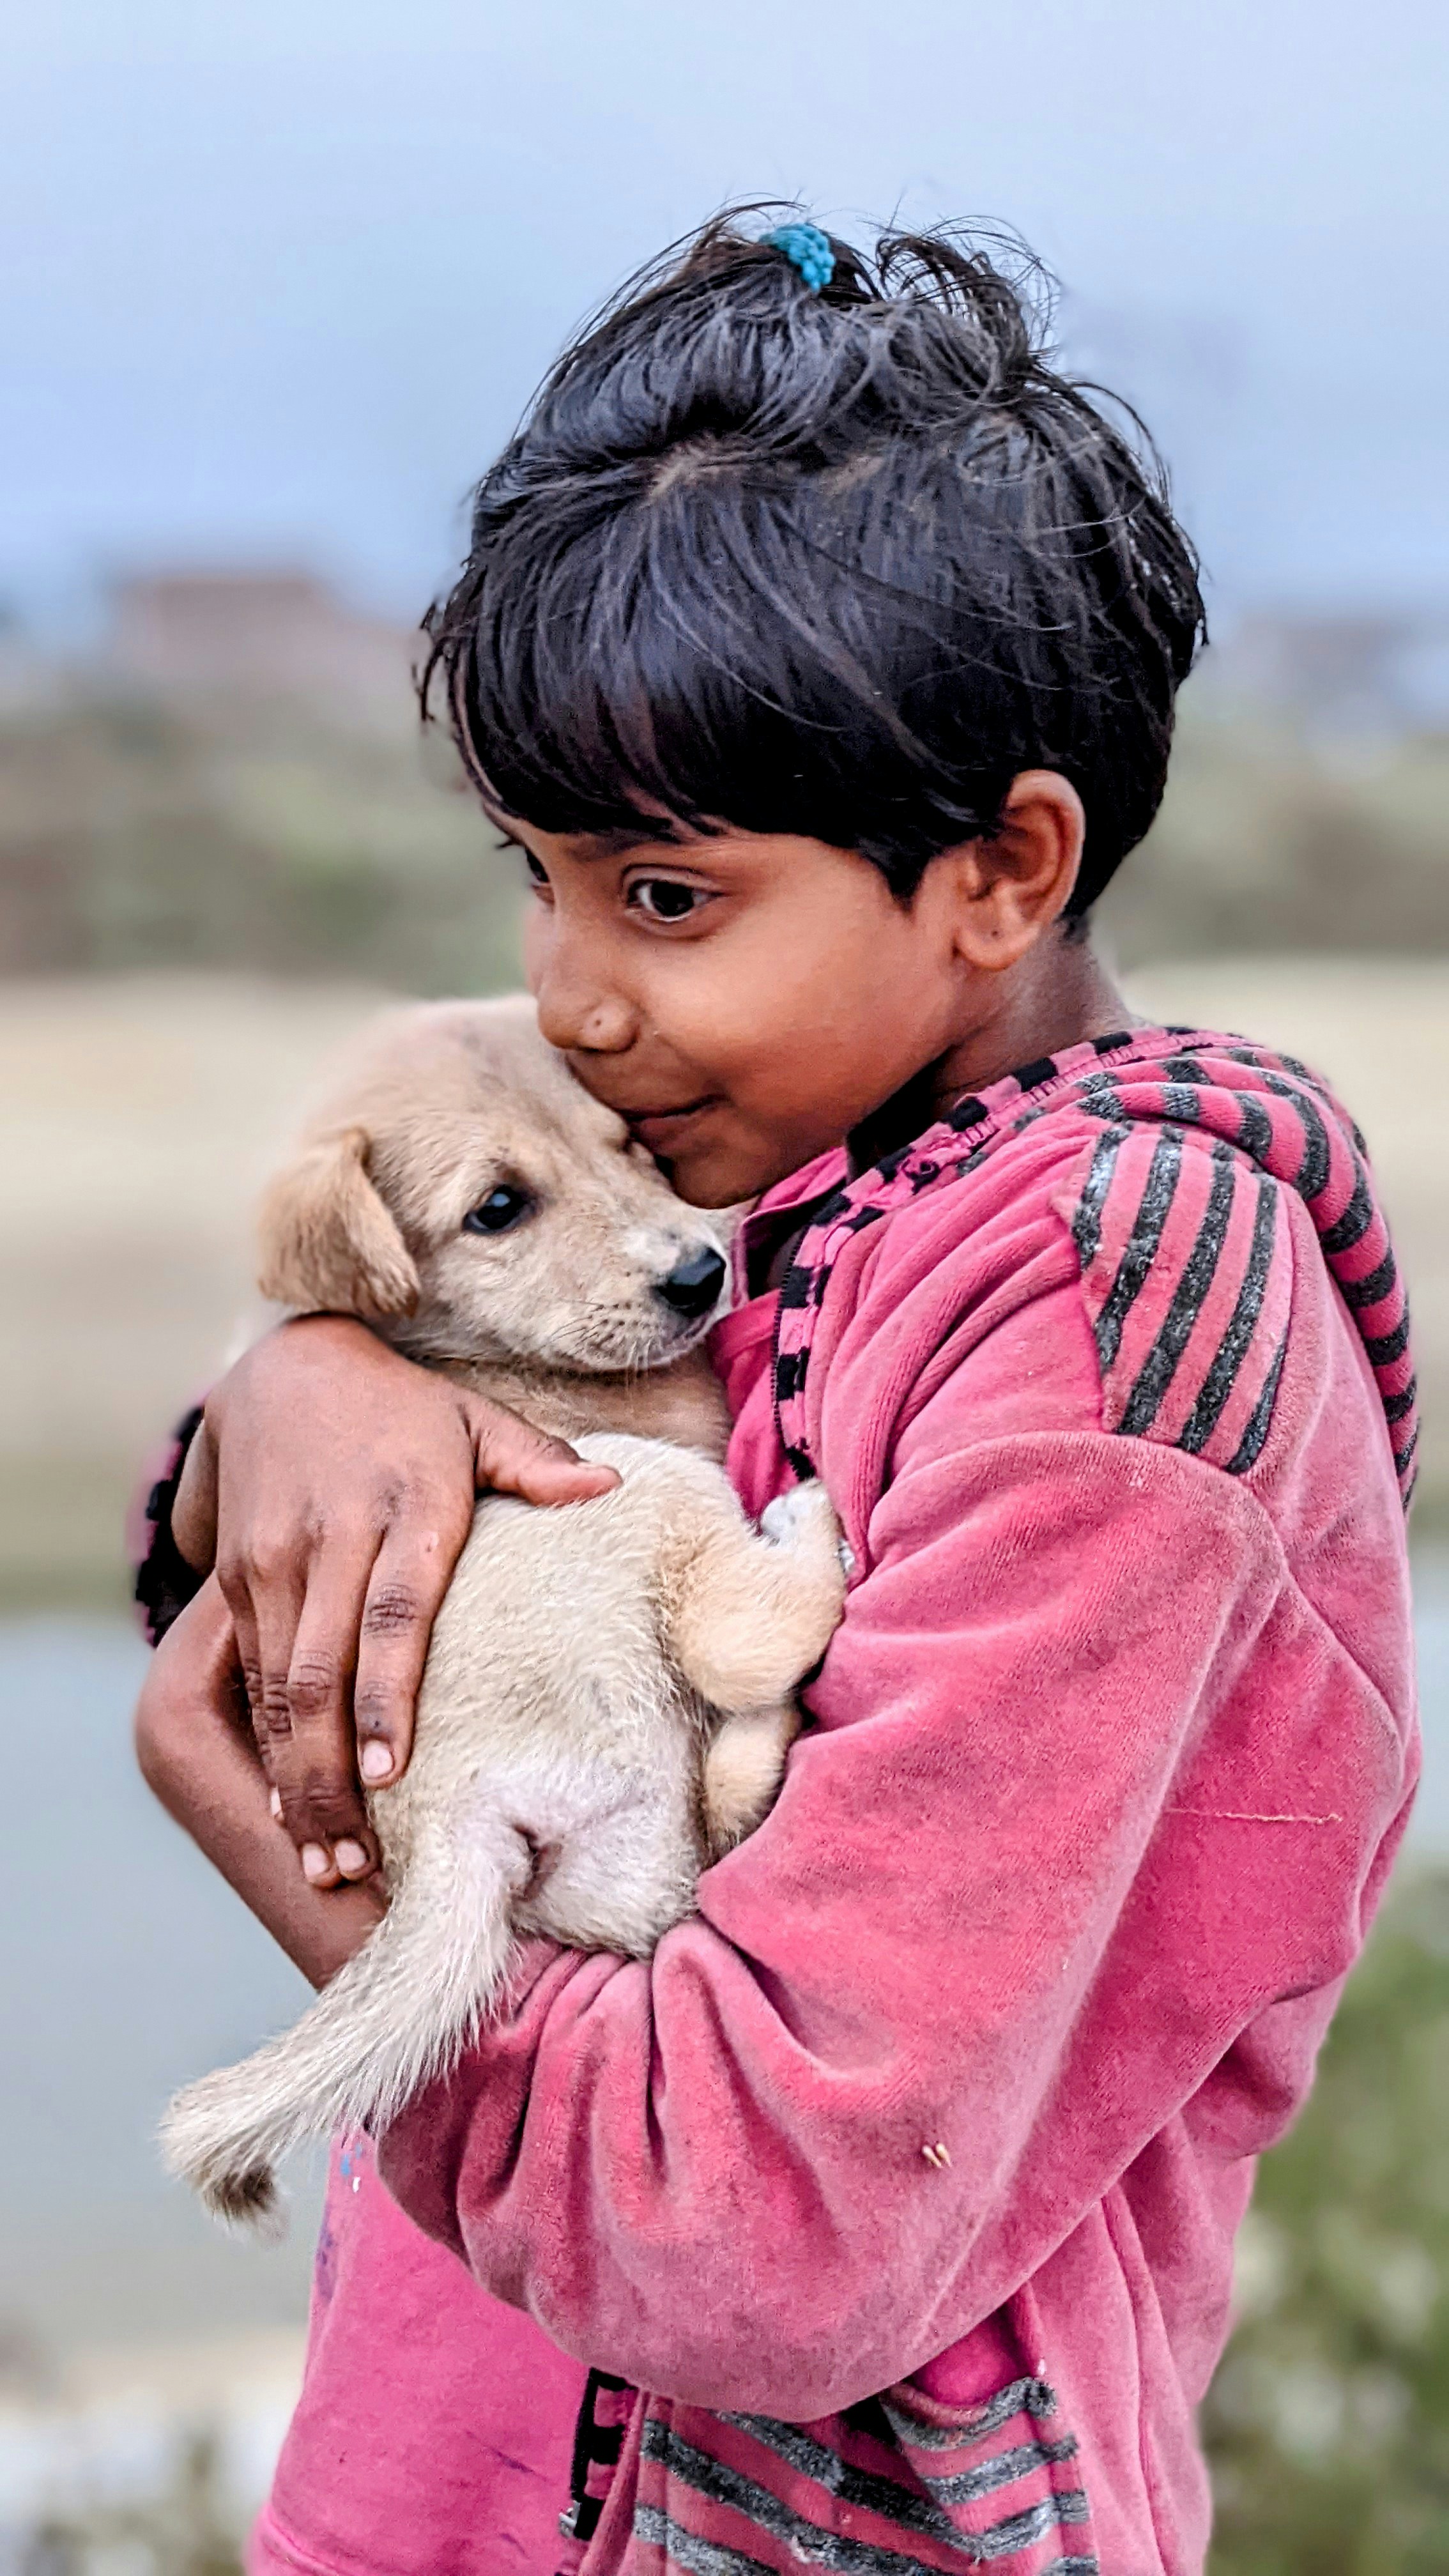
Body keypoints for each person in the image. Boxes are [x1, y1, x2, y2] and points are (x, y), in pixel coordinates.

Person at [134, 213, 1420, 2576]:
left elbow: (756, 2225)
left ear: (1002, 869)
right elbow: (483, 1424)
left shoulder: (1116, 1316)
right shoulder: (775, 1181)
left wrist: (308, 1885)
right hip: (421, 2512)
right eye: (531, 876)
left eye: (664, 896)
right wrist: (294, 1380)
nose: (568, 993)